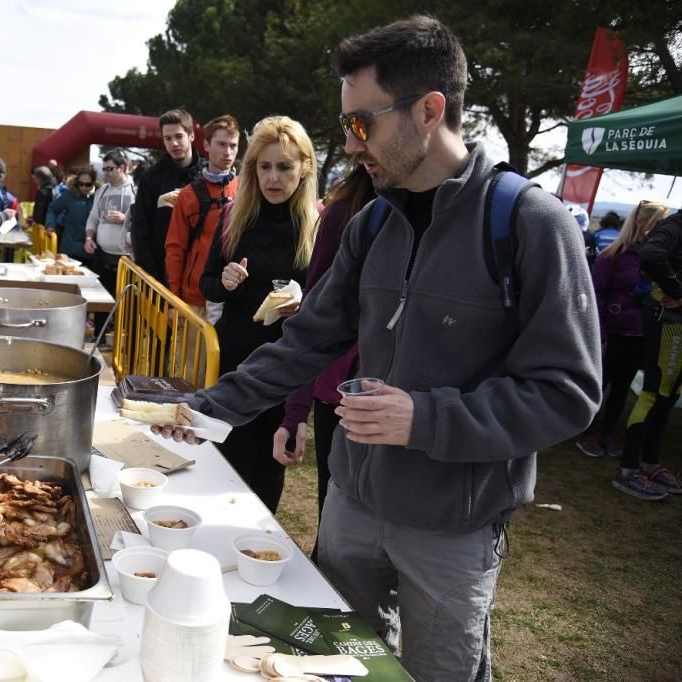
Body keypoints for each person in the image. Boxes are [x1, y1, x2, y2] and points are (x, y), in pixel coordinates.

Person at [154, 17, 600, 681]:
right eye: (345, 125)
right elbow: (306, 341)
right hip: (350, 509)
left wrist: (426, 418)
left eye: (363, 123)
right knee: (331, 665)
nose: (351, 142)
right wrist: (206, 411)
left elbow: (568, 393)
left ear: (429, 109)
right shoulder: (373, 222)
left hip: (454, 526)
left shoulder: (530, 222)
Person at [198, 115, 318, 514]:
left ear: (304, 168)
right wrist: (226, 281)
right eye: (264, 166)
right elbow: (207, 282)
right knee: (220, 465)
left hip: (282, 367)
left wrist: (303, 303)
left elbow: (327, 306)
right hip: (233, 358)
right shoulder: (236, 215)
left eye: (284, 166)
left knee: (265, 475)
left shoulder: (314, 225)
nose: (273, 178)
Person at [273, 164, 375, 562]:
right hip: (343, 400)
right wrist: (295, 411)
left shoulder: (455, 210)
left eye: (364, 126)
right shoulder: (347, 210)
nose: (353, 144)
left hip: (418, 414)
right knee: (335, 535)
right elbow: (314, 319)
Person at [577, 200, 670, 459]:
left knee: (622, 387)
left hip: (641, 333)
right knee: (601, 383)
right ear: (643, 222)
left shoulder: (659, 258)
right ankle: (587, 432)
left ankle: (607, 433)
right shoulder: (613, 255)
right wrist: (601, 333)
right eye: (660, 223)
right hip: (613, 331)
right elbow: (595, 295)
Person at [616, 209, 682, 500]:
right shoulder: (676, 225)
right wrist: (677, 290)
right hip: (667, 321)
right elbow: (652, 253)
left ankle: (649, 462)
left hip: (676, 324)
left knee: (670, 395)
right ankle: (628, 469)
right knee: (654, 393)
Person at [164, 114, 241, 319]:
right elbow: (175, 249)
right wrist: (174, 299)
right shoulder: (189, 195)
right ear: (206, 145)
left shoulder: (246, 191)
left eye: (233, 145)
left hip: (235, 300)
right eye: (221, 144)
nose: (228, 152)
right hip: (194, 300)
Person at [132, 108, 203, 284]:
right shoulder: (150, 177)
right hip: (159, 278)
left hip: (198, 278)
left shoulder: (207, 176)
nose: (174, 143)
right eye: (168, 138)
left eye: (179, 136)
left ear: (191, 136)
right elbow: (139, 230)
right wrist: (152, 276)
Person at [86, 150, 136, 337]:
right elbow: (92, 218)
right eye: (104, 168)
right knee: (101, 300)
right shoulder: (102, 190)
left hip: (126, 258)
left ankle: (124, 341)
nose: (105, 173)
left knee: (126, 303)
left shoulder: (135, 190)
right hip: (102, 254)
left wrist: (125, 218)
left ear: (122, 167)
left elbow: (142, 221)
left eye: (110, 169)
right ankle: (100, 335)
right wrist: (89, 237)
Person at [46, 165, 96, 262]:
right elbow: (53, 209)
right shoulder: (69, 195)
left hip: (92, 252)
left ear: (94, 183)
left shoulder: (99, 195)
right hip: (69, 251)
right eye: (80, 184)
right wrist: (50, 225)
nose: (83, 187)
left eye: (88, 184)